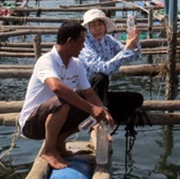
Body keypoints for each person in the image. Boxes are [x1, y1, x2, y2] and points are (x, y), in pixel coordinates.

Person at [19, 20, 114, 169]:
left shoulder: (76, 64)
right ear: (70, 41)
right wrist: (91, 108)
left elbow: (89, 94)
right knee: (64, 101)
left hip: (55, 119)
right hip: (32, 124)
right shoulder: (46, 61)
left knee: (91, 108)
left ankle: (59, 141)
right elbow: (56, 88)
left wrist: (102, 111)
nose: (83, 46)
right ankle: (49, 149)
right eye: (81, 42)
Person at [79, 8, 144, 123]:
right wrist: (127, 49)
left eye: (100, 24)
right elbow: (104, 68)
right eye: (93, 25)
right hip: (86, 95)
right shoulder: (85, 45)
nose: (98, 28)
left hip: (101, 94)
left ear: (105, 26)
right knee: (100, 77)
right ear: (88, 28)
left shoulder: (108, 39)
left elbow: (134, 56)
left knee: (137, 99)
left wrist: (134, 42)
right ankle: (98, 118)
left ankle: (106, 116)